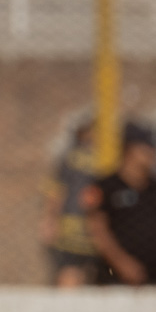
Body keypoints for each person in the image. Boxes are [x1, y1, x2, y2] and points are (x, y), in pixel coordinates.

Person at [83, 129, 156, 285]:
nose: (153, 153)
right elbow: (97, 231)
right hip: (115, 278)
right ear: (130, 150)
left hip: (154, 277)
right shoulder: (107, 186)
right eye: (147, 148)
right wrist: (122, 264)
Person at [39, 119, 100, 287]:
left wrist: (49, 219)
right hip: (75, 229)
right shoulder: (72, 157)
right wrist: (50, 220)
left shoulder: (109, 159)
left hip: (96, 232)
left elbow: (55, 191)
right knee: (71, 273)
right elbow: (56, 191)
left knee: (81, 275)